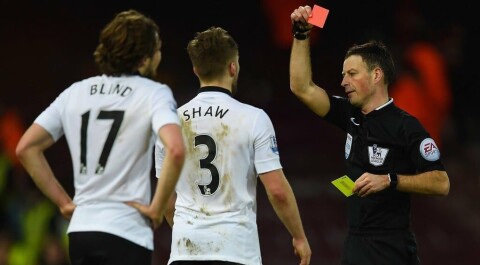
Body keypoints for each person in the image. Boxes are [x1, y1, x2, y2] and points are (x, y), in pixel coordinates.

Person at [15, 9, 185, 265]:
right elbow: (175, 149)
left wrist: (63, 203)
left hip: (81, 232)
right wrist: (157, 208)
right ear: (144, 57)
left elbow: (26, 147)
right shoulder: (154, 93)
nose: (160, 56)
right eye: (158, 49)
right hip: (127, 231)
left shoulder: (76, 92)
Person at [135, 26, 311, 265]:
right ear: (233, 67)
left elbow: (167, 200)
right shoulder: (253, 118)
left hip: (185, 252)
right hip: (237, 253)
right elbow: (277, 191)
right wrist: (299, 237)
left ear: (196, 70)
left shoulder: (170, 122)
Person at [289, 5, 450, 265]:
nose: (344, 81)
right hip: (356, 243)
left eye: (352, 74)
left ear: (377, 75)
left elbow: (441, 183)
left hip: (392, 248)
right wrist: (300, 34)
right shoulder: (349, 114)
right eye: (343, 74)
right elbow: (302, 88)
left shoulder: (406, 126)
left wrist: (389, 180)